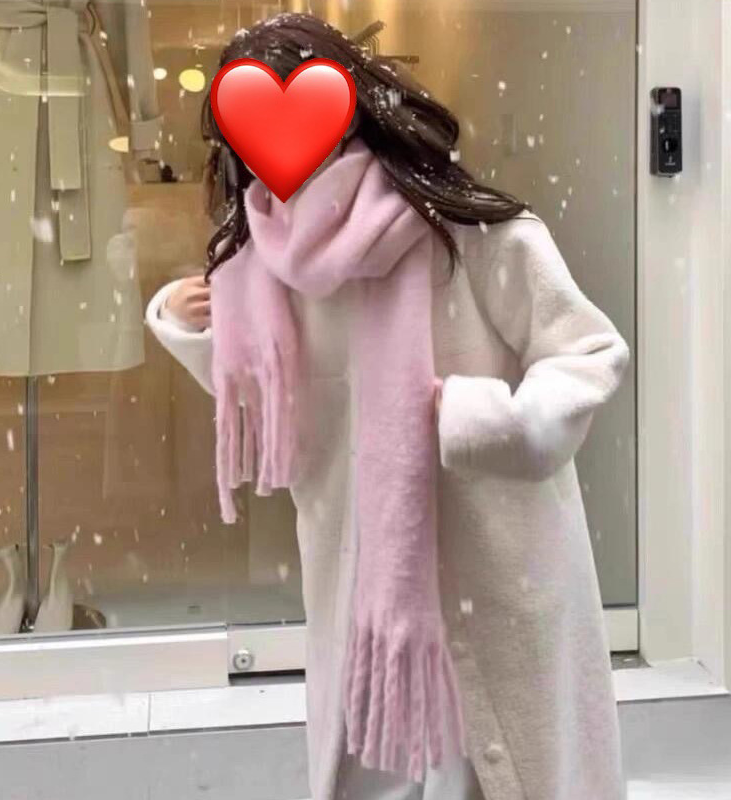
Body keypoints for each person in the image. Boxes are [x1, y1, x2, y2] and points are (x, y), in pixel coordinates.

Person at [147, 13, 630, 800]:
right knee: (383, 767)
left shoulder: (469, 233)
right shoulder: (265, 261)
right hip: (367, 588)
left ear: (349, 110)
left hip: (495, 562)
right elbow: (280, 403)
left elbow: (587, 352)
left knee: (504, 766)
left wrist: (487, 421)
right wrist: (189, 321)